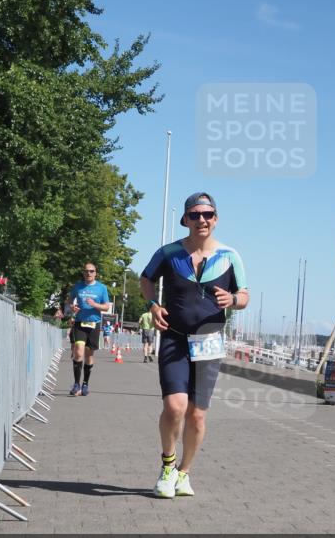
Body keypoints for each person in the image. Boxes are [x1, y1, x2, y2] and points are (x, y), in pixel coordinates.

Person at [139, 192, 248, 498]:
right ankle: (167, 466)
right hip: (174, 338)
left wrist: (234, 300)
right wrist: (153, 304)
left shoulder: (230, 255)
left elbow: (245, 294)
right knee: (175, 407)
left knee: (197, 415)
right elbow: (146, 279)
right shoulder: (169, 252)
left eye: (208, 214)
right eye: (196, 214)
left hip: (210, 343)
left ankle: (184, 473)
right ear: (185, 219)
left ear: (216, 219)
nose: (202, 219)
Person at [67, 263, 112, 396]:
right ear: (83, 272)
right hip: (80, 323)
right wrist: (72, 307)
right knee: (78, 352)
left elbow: (106, 307)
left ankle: (85, 383)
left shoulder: (101, 288)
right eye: (86, 271)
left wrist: (94, 304)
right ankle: (76, 384)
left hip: (94, 324)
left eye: (91, 271)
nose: (89, 273)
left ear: (95, 273)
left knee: (89, 355)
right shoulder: (78, 287)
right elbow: (69, 301)